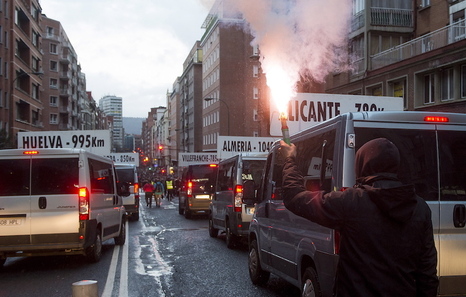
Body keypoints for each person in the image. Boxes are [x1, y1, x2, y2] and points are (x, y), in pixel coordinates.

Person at [279, 138, 438, 297]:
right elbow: (427, 271)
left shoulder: (351, 202)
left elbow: (295, 197)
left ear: (362, 164)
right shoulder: (420, 207)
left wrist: (290, 159)